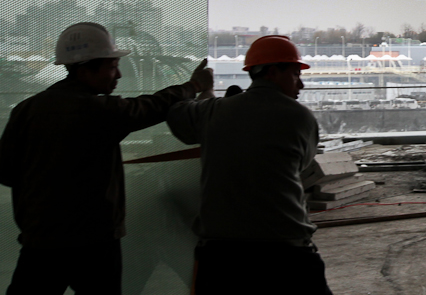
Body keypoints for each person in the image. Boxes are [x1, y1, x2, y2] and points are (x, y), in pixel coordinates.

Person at [0, 22, 214, 295]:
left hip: (40, 242)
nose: (119, 74)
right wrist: (194, 85)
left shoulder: (25, 110)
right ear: (86, 69)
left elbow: (6, 172)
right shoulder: (100, 111)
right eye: (112, 66)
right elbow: (152, 106)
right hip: (95, 244)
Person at [166, 35, 331, 294]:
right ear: (272, 72)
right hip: (285, 252)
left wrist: (200, 88)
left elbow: (177, 115)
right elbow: (300, 165)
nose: (301, 84)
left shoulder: (213, 112)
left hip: (221, 256)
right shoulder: (301, 117)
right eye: (295, 74)